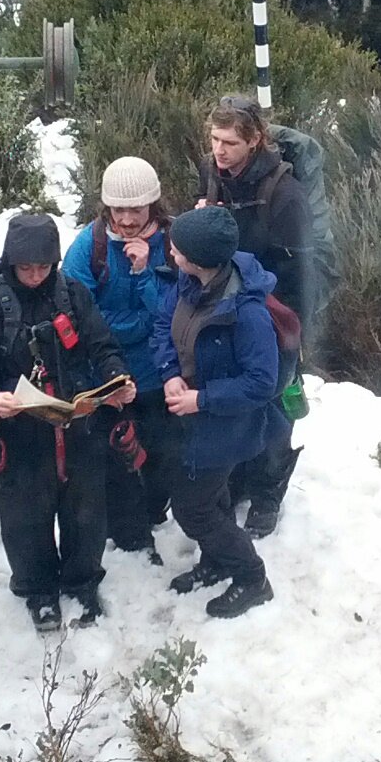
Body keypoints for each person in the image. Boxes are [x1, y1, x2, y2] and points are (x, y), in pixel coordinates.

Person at [0, 213, 135, 631]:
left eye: (43, 267)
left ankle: (82, 582)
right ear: (10, 263)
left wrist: (116, 379)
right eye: (26, 268)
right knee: (26, 518)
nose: (35, 276)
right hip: (22, 431)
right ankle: (38, 591)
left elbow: (101, 344)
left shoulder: (72, 295)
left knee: (86, 513)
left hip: (78, 423)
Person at [151, 205, 280, 619]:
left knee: (194, 508)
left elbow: (262, 381)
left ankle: (251, 576)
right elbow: (162, 325)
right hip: (192, 420)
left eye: (178, 249)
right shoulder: (190, 282)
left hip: (223, 428)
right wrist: (171, 372)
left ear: (201, 258)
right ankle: (216, 561)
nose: (171, 254)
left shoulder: (248, 314)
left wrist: (201, 399)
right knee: (211, 494)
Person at [198, 95, 311, 535]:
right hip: (221, 307)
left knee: (273, 405)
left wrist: (293, 334)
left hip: (272, 310)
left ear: (255, 141)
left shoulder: (284, 194)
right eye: (214, 139)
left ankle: (268, 495)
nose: (219, 151)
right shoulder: (211, 173)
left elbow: (300, 273)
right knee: (233, 399)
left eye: (230, 142)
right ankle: (241, 479)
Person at [63, 156, 177, 558]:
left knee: (160, 449)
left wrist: (144, 273)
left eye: (137, 209)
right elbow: (81, 315)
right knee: (115, 456)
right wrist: (141, 323)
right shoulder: (86, 249)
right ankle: (130, 535)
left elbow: (172, 309)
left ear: (153, 206)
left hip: (159, 374)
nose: (127, 219)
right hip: (107, 376)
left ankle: (155, 513)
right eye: (119, 209)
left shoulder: (171, 242)